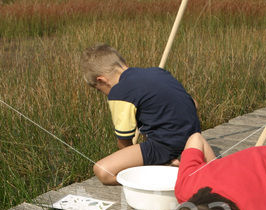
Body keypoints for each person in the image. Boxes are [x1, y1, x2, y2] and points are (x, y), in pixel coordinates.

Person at [80, 44, 215, 185]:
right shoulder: (157, 72)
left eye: (98, 90)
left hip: (165, 145)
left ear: (101, 80)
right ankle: (178, 159)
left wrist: (132, 165)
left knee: (102, 171)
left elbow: (124, 141)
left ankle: (166, 167)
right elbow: (193, 103)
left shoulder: (119, 92)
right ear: (124, 63)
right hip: (192, 138)